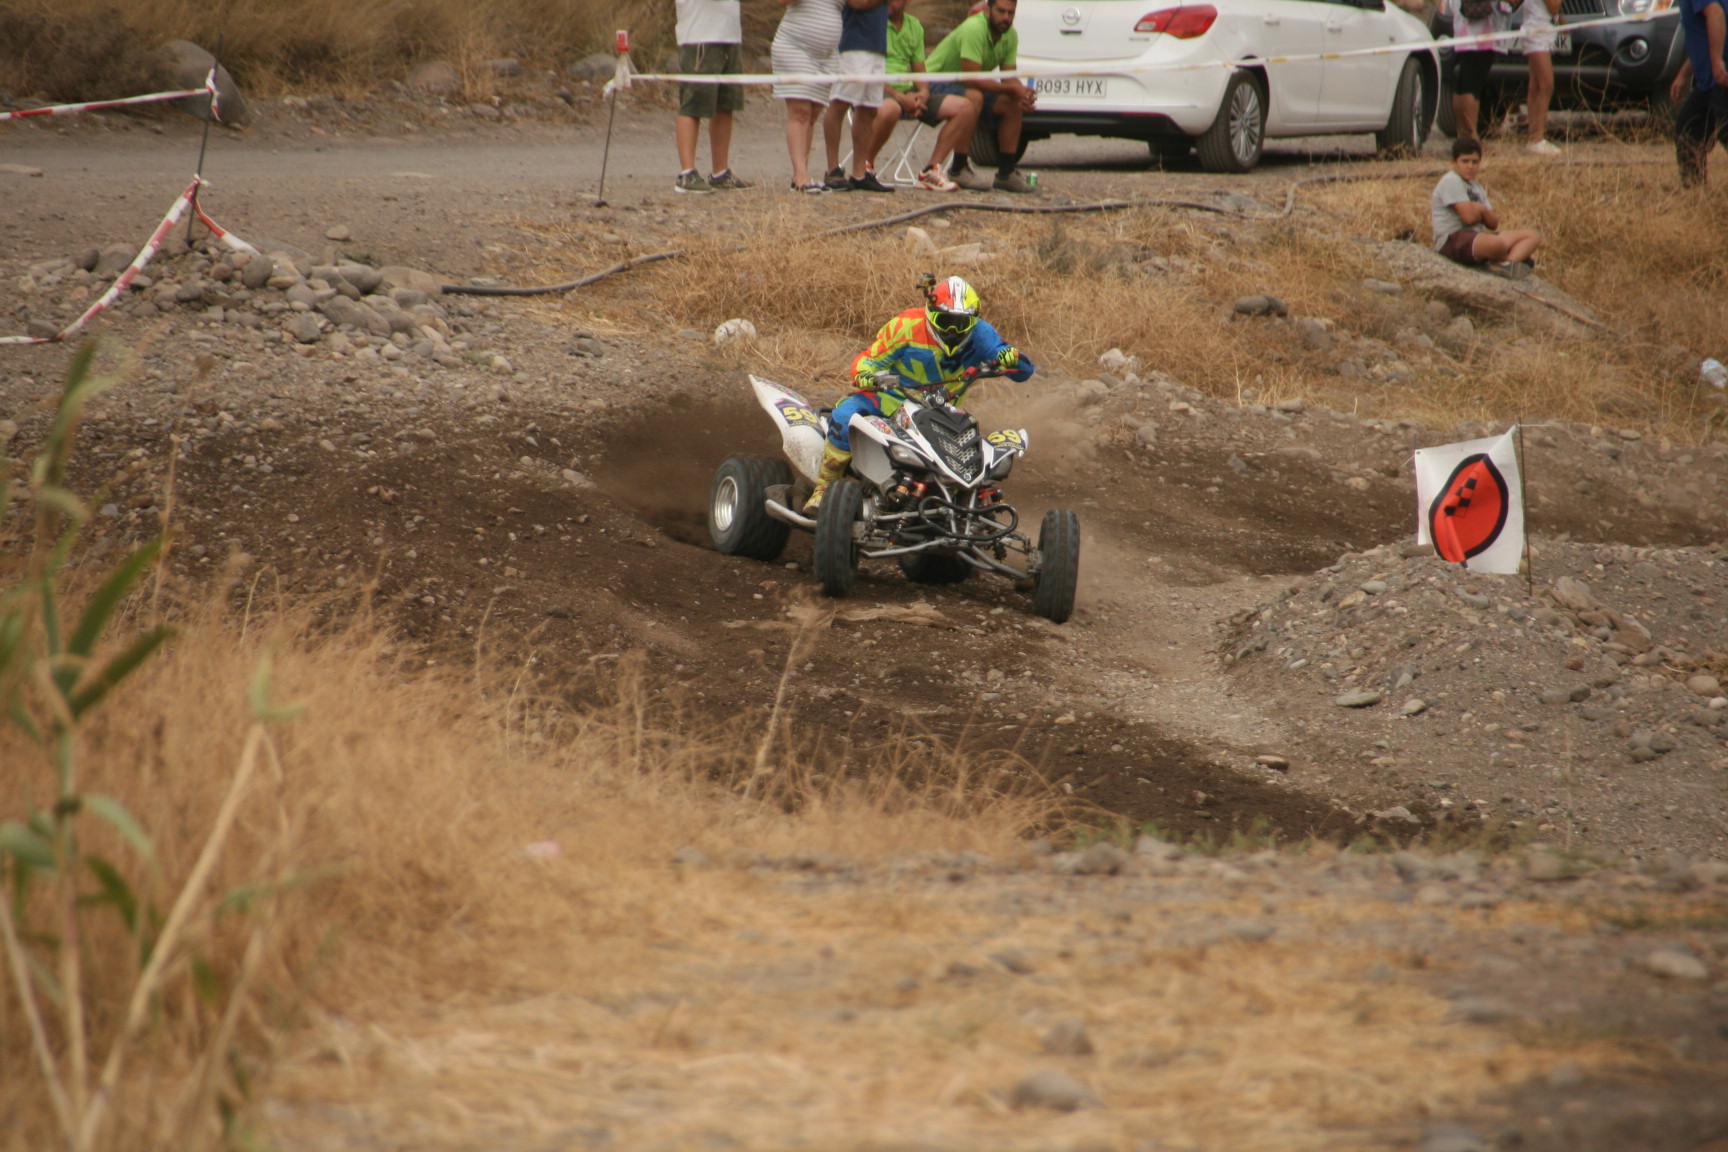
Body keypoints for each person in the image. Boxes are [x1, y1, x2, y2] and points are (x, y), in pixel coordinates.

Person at [804, 274, 1035, 512]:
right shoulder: (906, 325)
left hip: (941, 410)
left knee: (967, 455)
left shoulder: (982, 333)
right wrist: (865, 375)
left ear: (973, 321)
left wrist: (1011, 357)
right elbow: (869, 359)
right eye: (945, 321)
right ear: (931, 314)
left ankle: (961, 507)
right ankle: (823, 489)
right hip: (889, 398)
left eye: (961, 323)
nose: (953, 330)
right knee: (844, 415)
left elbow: (1023, 371)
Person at [861, 0, 982, 191]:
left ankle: (931, 170)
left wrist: (923, 93)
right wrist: (899, 97)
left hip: (907, 90)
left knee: (966, 107)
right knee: (890, 108)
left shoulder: (914, 26)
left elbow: (919, 71)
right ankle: (864, 167)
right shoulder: (873, 23)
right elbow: (866, 72)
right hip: (877, 89)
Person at [923, 0, 1037, 193]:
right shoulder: (974, 28)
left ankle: (1006, 173)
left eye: (1010, 13)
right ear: (987, 10)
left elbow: (1009, 77)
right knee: (974, 96)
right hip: (932, 83)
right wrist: (1012, 90)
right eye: (1001, 11)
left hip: (964, 86)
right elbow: (971, 79)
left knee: (1011, 103)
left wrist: (1022, 93)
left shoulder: (1010, 34)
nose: (1005, 18)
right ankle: (958, 168)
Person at [1431, 138, 1542, 278]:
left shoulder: (1476, 187)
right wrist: (1480, 212)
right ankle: (1506, 259)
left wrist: (1480, 209)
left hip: (1477, 237)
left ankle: (1507, 264)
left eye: (1475, 162)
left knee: (1532, 237)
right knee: (1497, 245)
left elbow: (1493, 223)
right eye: (1465, 161)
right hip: (1453, 239)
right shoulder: (1451, 180)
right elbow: (1469, 218)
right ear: (1454, 162)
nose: (1470, 166)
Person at [674, 0, 751, 193]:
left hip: (729, 35)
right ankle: (687, 173)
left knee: (725, 105)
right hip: (700, 35)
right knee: (693, 105)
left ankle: (720, 172)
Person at [772, 0, 845, 193]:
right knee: (800, 111)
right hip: (795, 46)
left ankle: (801, 173)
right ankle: (800, 175)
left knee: (812, 114)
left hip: (827, 56)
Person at [821, 0, 894, 192]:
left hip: (877, 44)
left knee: (868, 109)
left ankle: (859, 173)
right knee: (840, 102)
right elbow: (857, 3)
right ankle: (833, 169)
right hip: (854, 44)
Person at [1670, 0, 1728, 188]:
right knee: (1688, 129)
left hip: (1721, 79)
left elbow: (1716, 15)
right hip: (1709, 82)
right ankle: (1695, 192)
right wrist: (1683, 75)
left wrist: (1717, 62)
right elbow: (1702, 40)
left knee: (1724, 131)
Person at [1449, 0, 1508, 144]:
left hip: (1464, 29)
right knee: (1472, 86)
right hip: (1481, 32)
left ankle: (1463, 136)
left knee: (1462, 85)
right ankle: (1472, 137)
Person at [1518, 0, 1564, 155]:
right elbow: (1553, 6)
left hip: (1543, 30)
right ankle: (1537, 137)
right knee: (1546, 84)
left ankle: (1534, 136)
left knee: (1536, 85)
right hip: (1536, 33)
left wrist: (1561, 20)